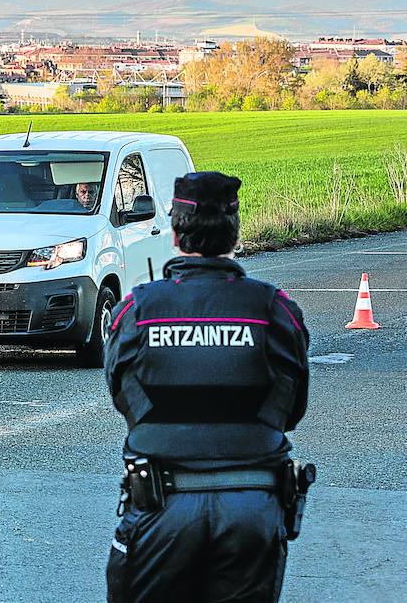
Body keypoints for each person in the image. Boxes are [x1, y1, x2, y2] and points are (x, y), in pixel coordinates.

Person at [104, 172, 311, 603]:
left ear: (176, 233)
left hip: (161, 505)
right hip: (252, 507)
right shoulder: (274, 309)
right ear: (235, 231)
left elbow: (121, 391)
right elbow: (291, 407)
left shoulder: (138, 309)